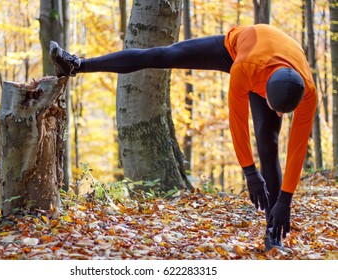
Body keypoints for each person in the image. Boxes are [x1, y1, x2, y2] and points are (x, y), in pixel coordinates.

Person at [50, 24, 317, 251]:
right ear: (264, 93)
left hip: (279, 64)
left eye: (284, 112)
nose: (278, 115)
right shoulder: (244, 70)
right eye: (275, 108)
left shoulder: (308, 91)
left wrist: (285, 200)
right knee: (164, 54)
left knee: (268, 144)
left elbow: (296, 148)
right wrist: (249, 172)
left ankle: (274, 235)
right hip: (239, 47)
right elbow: (237, 121)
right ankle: (77, 64)